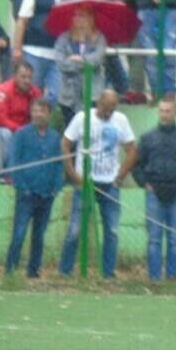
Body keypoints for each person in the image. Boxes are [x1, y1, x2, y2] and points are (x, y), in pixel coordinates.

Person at [59, 90, 137, 278]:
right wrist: (73, 174)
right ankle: (65, 271)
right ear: (99, 102)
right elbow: (65, 144)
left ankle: (108, 273)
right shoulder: (82, 118)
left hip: (110, 184)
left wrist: (121, 175)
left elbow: (132, 150)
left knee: (112, 230)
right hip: (84, 182)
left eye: (112, 109)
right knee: (75, 229)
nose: (108, 112)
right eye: (105, 108)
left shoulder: (121, 120)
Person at [132, 98, 176, 281]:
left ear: (175, 113)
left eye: (168, 111)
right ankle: (154, 278)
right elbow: (136, 165)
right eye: (161, 111)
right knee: (154, 239)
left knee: (174, 240)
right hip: (154, 193)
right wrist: (144, 184)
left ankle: (172, 278)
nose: (164, 115)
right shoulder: (147, 138)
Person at [12, 0, 92, 107]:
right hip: (34, 52)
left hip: (60, 53)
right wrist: (17, 49)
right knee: (31, 94)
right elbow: (22, 21)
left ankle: (44, 119)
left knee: (56, 95)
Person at [4, 99, 62, 277]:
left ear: (49, 114)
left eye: (42, 111)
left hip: (47, 194)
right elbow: (14, 161)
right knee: (19, 233)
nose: (38, 114)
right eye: (35, 111)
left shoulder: (55, 137)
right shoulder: (21, 134)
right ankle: (10, 271)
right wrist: (22, 186)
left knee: (39, 235)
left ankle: (33, 271)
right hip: (26, 194)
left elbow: (59, 163)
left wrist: (56, 187)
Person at [98, 0, 147, 103]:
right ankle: (117, 88)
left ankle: (136, 91)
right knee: (108, 53)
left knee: (136, 52)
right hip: (112, 14)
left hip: (133, 12)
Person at [54, 7, 107, 127]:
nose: (77, 19)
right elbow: (61, 63)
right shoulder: (63, 38)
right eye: (75, 15)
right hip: (68, 96)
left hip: (92, 94)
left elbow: (97, 59)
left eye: (82, 15)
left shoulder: (99, 38)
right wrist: (84, 63)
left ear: (90, 19)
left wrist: (80, 59)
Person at [0, 61, 41, 175]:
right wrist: (20, 130)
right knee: (6, 134)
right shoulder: (3, 90)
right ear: (14, 76)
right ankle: (5, 173)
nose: (27, 81)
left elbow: (41, 115)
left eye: (29, 77)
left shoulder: (35, 92)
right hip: (5, 130)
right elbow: (1, 118)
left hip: (25, 130)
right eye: (23, 77)